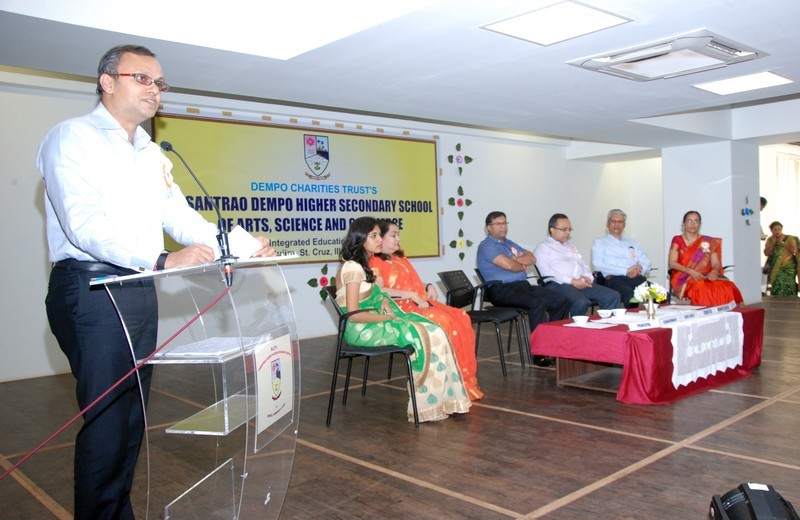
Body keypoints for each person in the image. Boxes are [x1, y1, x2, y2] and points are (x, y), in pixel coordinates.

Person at [36, 45, 275, 520]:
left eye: (160, 83)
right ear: (107, 81)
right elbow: (82, 224)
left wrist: (247, 247)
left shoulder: (151, 153)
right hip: (91, 289)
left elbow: (182, 218)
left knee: (130, 421)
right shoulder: (72, 138)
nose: (155, 90)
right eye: (142, 78)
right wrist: (163, 258)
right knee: (106, 423)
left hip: (139, 287)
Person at [335, 216, 471, 422]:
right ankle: (427, 405)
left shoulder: (362, 266)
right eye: (373, 236)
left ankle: (444, 400)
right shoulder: (353, 268)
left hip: (374, 321)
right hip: (362, 328)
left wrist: (384, 302)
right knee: (427, 335)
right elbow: (353, 314)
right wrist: (384, 318)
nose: (379, 240)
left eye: (379, 235)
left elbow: (375, 296)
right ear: (360, 239)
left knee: (436, 329)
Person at [368, 220, 483, 400]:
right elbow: (380, 290)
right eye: (393, 235)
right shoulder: (375, 262)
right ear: (380, 238)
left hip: (418, 302)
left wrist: (428, 285)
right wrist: (412, 295)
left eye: (398, 234)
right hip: (400, 309)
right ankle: (446, 386)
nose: (398, 238)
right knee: (444, 322)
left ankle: (463, 380)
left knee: (461, 317)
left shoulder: (400, 258)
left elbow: (413, 284)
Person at [476, 211, 570, 367]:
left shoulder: (508, 243)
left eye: (505, 223)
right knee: (537, 303)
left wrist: (516, 260)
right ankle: (539, 353)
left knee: (561, 300)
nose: (503, 227)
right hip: (501, 290)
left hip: (521, 285)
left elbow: (532, 257)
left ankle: (553, 346)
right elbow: (510, 266)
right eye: (498, 224)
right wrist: (519, 263)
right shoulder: (487, 246)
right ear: (488, 228)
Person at [534, 213, 621, 317]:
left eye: (569, 229)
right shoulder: (543, 248)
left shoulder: (570, 246)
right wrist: (572, 281)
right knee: (581, 302)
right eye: (564, 229)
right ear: (552, 230)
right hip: (558, 284)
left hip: (579, 284)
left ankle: (607, 329)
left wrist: (588, 277)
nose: (567, 233)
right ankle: (574, 331)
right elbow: (546, 272)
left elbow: (583, 265)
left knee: (612, 296)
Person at [668, 210, 743, 306]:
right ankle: (706, 316)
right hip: (684, 275)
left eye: (696, 221)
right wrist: (691, 272)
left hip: (706, 276)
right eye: (689, 221)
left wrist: (714, 271)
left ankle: (727, 314)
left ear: (700, 224)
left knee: (728, 286)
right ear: (683, 224)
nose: (692, 224)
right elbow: (672, 263)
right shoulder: (677, 240)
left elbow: (716, 263)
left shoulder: (708, 241)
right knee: (701, 288)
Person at [591, 209, 653, 307]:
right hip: (615, 279)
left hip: (637, 278)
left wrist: (639, 268)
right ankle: (632, 321)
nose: (617, 224)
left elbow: (647, 262)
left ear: (624, 225)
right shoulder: (599, 242)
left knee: (662, 295)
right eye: (613, 221)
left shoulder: (633, 243)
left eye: (620, 222)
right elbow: (598, 265)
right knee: (632, 298)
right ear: (607, 224)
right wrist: (626, 270)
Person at [763, 221, 799, 296]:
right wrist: (773, 244)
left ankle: (791, 300)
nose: (777, 232)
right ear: (771, 230)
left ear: (782, 229)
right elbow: (766, 253)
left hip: (788, 268)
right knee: (777, 285)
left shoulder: (789, 238)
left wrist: (783, 243)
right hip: (775, 268)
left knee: (789, 285)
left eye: (779, 229)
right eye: (775, 230)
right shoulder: (770, 239)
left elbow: (794, 250)